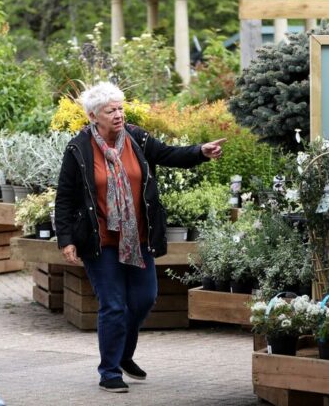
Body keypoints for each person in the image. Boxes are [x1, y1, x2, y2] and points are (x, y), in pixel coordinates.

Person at [54, 82, 225, 393]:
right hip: (100, 240)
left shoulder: (137, 137)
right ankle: (109, 371)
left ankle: (123, 354)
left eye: (120, 108)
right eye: (111, 110)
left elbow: (170, 154)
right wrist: (66, 239)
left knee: (144, 299)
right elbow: (65, 197)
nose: (119, 114)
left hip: (138, 238)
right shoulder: (78, 149)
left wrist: (200, 151)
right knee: (114, 305)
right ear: (94, 116)